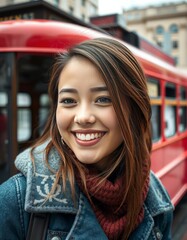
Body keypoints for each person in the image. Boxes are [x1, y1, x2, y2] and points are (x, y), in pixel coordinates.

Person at [0, 38, 173, 240]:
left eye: (103, 99)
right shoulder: (14, 202)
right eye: (69, 101)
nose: (82, 117)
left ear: (135, 109)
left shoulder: (158, 202)